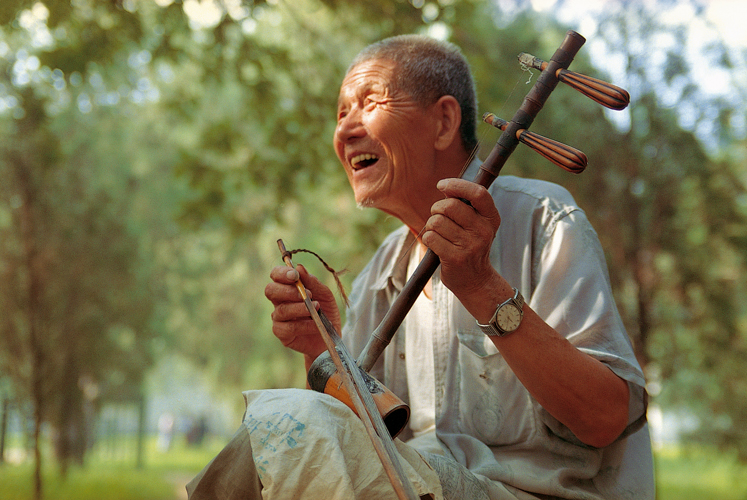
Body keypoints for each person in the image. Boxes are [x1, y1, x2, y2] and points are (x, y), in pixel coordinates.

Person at [187, 34, 655, 500]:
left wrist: (481, 287)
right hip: (420, 484)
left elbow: (605, 419)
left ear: (443, 122)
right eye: (341, 113)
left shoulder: (543, 219)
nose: (346, 129)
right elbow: (355, 442)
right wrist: (322, 349)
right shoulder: (381, 270)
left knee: (292, 423)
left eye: (369, 103)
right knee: (279, 432)